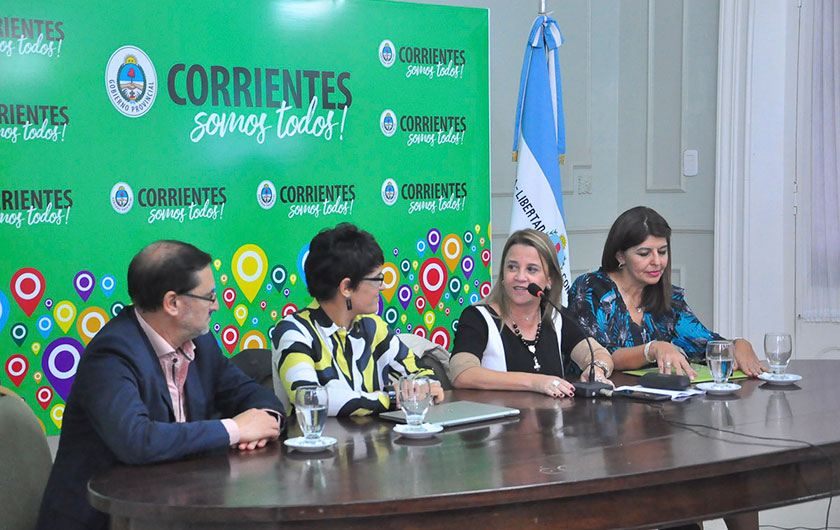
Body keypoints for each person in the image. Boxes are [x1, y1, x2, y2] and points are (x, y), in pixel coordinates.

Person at [37, 241, 285, 530]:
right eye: (209, 297)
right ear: (173, 303)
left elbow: (251, 393)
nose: (217, 306)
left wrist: (266, 420)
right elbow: (137, 441)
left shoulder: (200, 341)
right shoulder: (111, 355)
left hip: (178, 508)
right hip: (106, 519)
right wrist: (235, 429)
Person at [568, 205, 766, 379]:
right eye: (644, 253)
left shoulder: (670, 298)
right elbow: (599, 356)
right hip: (596, 398)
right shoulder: (591, 288)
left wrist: (738, 345)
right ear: (620, 256)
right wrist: (652, 349)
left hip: (653, 401)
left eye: (662, 251)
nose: (657, 261)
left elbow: (702, 344)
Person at [272, 223, 443, 416]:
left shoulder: (374, 326)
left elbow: (423, 373)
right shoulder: (293, 331)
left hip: (375, 435)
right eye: (377, 279)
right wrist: (389, 398)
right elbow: (309, 398)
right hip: (315, 436)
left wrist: (423, 388)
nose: (384, 286)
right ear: (346, 288)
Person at [450, 229, 614, 398]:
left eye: (531, 269)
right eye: (512, 267)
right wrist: (535, 382)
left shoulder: (556, 316)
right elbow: (462, 373)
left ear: (549, 279)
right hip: (498, 414)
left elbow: (598, 353)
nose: (520, 277)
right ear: (503, 274)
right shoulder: (478, 317)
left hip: (553, 415)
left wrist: (597, 369)